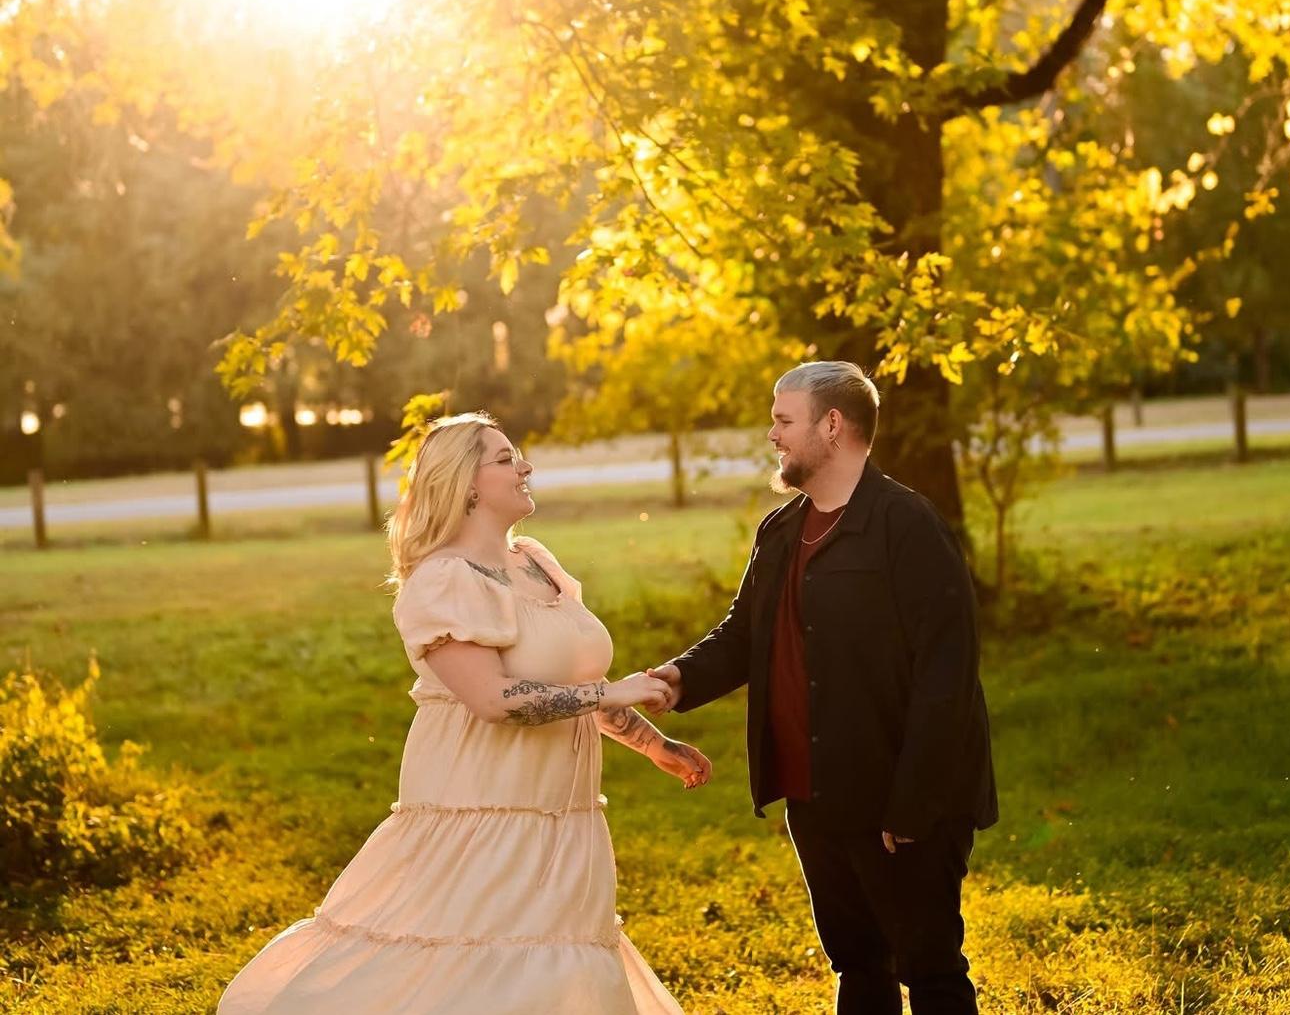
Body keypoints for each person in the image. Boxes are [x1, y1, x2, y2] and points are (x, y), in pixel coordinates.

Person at [218, 410, 709, 1015]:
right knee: (464, 961)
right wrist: (615, 694)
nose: (525, 466)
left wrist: (653, 744)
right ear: (465, 484)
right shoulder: (443, 580)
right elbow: (494, 700)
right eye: (505, 459)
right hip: (479, 808)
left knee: (551, 964)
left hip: (564, 813)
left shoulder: (536, 562)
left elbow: (574, 685)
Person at [647, 362, 997, 1015]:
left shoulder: (907, 525)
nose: (772, 435)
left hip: (900, 800)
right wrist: (680, 677)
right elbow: (746, 633)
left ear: (832, 425)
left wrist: (913, 805)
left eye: (784, 420)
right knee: (857, 963)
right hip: (813, 794)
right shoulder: (781, 530)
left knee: (929, 969)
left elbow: (946, 675)